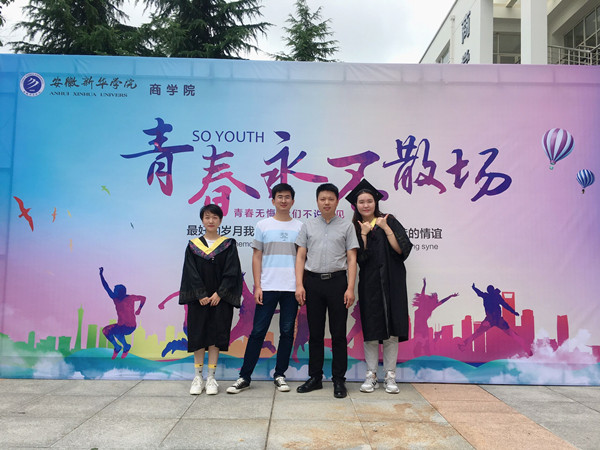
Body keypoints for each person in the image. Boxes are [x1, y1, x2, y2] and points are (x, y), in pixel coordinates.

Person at [227, 183, 303, 394]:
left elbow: (301, 259)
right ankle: (244, 376)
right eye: (280, 197)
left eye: (287, 197)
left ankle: (280, 375)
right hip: (267, 286)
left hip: (291, 288)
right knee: (258, 332)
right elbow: (257, 257)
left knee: (287, 332)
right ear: (273, 200)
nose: (283, 200)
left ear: (293, 201)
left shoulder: (300, 227)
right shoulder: (263, 225)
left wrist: (299, 285)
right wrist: (258, 286)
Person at [346, 179, 412, 394]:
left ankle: (390, 376)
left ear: (375, 202)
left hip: (393, 282)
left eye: (369, 201)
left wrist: (385, 228)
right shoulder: (355, 228)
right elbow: (360, 259)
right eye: (361, 202)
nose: (366, 205)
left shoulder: (388, 220)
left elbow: (402, 250)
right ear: (356, 205)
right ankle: (371, 375)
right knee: (372, 330)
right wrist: (364, 234)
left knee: (392, 331)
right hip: (370, 283)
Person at [295, 183, 358, 399]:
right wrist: (299, 284)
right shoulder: (308, 226)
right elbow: (301, 256)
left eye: (331, 199)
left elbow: (352, 259)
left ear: (337, 201)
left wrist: (350, 288)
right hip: (313, 283)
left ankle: (339, 379)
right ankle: (315, 377)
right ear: (317, 201)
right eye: (323, 199)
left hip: (338, 283)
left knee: (338, 333)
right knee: (315, 333)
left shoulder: (347, 227)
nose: (327, 202)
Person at [179, 204, 243, 395]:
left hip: (219, 300)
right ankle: (198, 377)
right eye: (207, 217)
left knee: (216, 336)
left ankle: (211, 378)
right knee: (198, 336)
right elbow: (190, 272)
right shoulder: (193, 246)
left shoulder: (228, 245)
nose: (211, 221)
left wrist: (220, 293)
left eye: (215, 217)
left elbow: (232, 272)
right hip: (199, 300)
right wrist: (200, 294)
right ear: (202, 220)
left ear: (220, 220)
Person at [99, 267, 146, 360]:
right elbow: (106, 287)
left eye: (115, 291)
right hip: (121, 325)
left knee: (116, 332)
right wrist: (101, 275)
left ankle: (125, 346)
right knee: (106, 331)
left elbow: (143, 298)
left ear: (120, 293)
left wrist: (139, 309)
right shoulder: (115, 298)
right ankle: (118, 347)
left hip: (130, 327)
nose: (114, 292)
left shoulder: (131, 298)